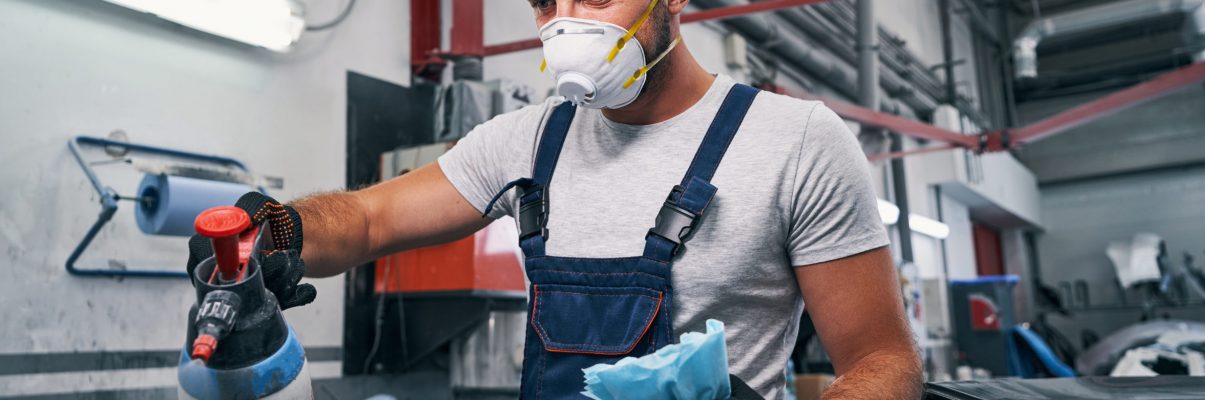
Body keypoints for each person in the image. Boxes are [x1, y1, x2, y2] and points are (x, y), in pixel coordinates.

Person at [188, 0, 922, 398]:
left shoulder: (794, 140)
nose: (569, 23)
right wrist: (280, 228)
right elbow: (371, 217)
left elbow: (886, 362)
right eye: (547, 2)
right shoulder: (525, 141)